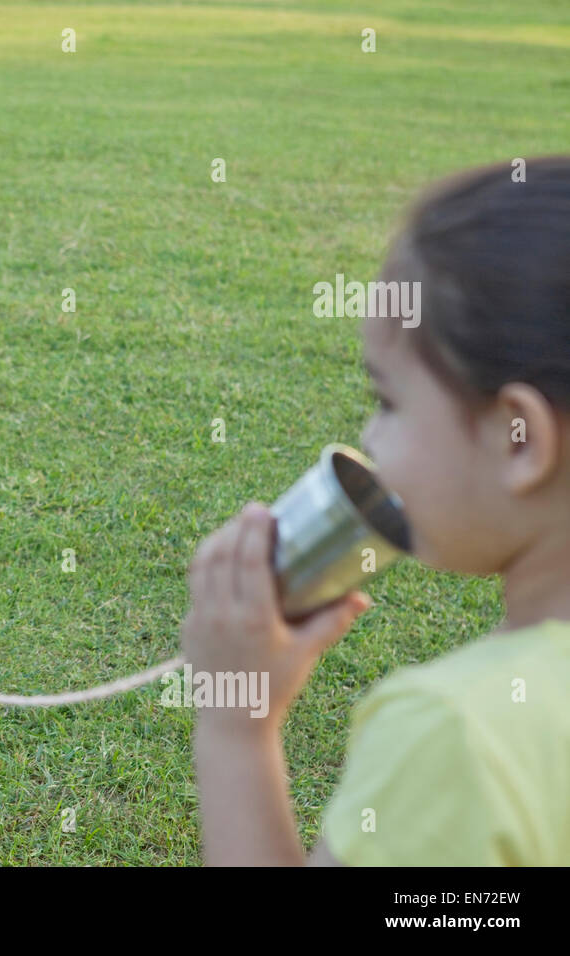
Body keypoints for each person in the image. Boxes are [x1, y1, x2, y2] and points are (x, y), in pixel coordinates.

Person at [182, 156, 570, 865]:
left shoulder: (459, 733)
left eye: (387, 402)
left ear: (521, 440)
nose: (368, 438)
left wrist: (236, 729)